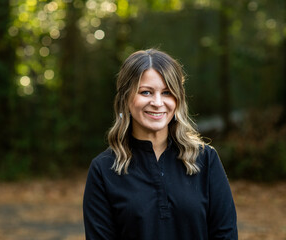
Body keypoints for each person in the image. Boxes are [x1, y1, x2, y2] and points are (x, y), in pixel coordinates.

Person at [83, 49, 238, 240]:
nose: (157, 102)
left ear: (177, 99)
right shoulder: (103, 169)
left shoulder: (205, 159)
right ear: (125, 98)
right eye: (146, 92)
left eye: (167, 92)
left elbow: (226, 234)